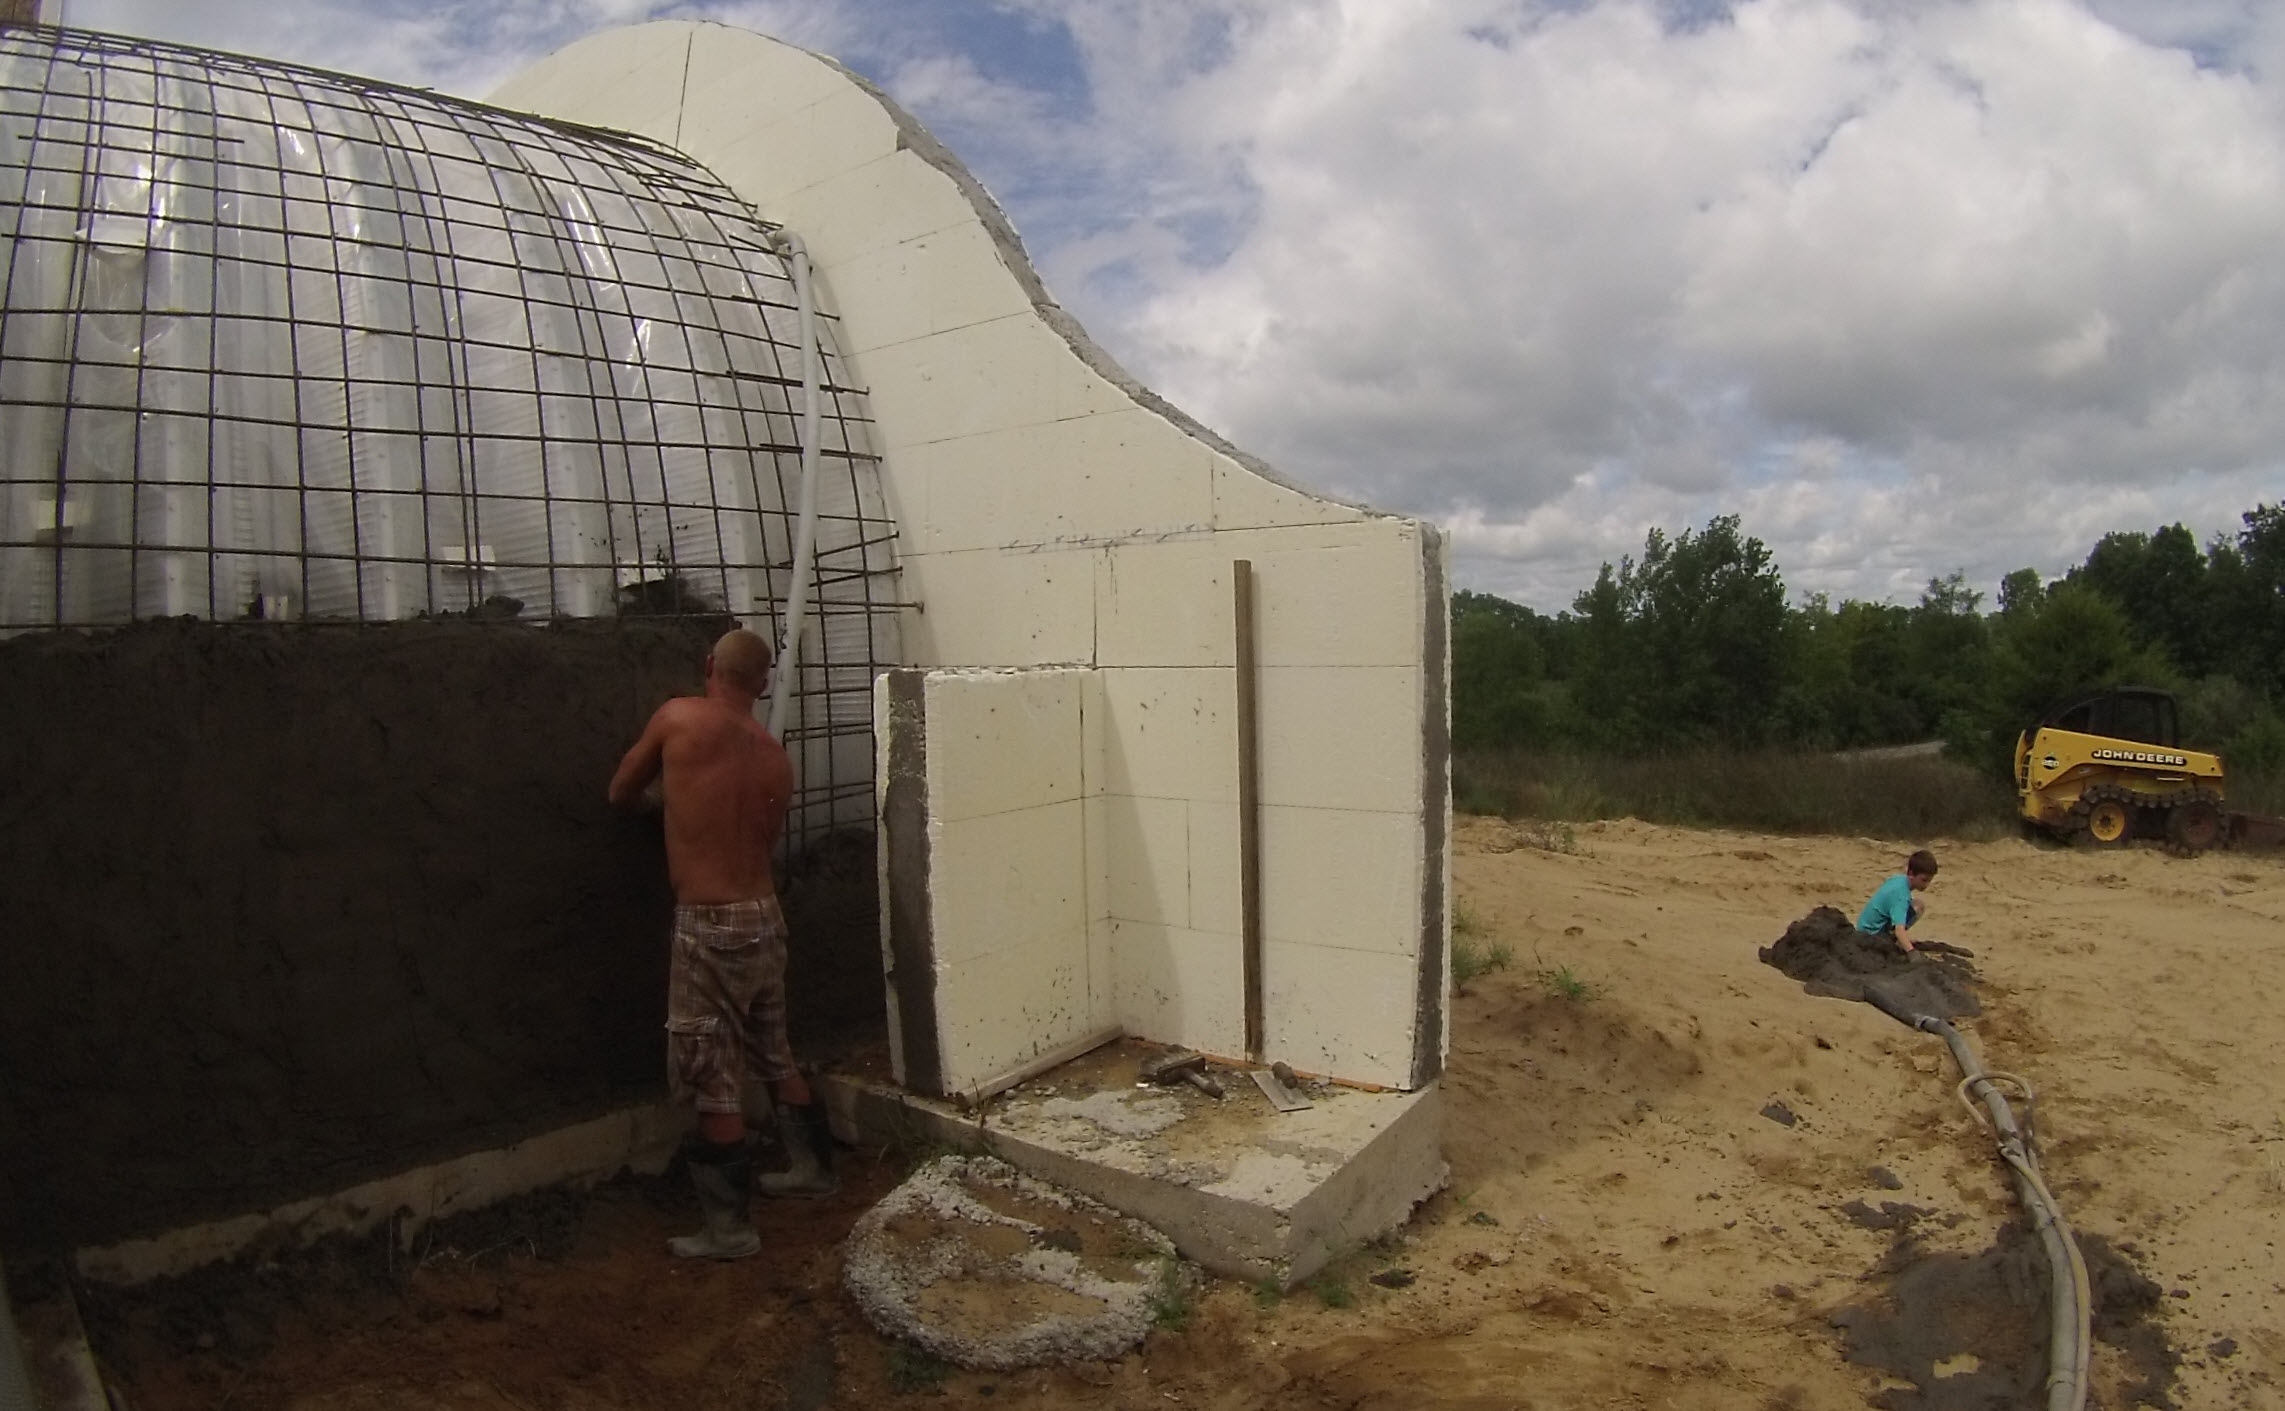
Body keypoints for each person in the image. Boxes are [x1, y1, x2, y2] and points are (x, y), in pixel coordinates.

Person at [608, 627, 836, 1261]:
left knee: (710, 1068)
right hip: (764, 916)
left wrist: (673, 803)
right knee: (772, 1048)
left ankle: (729, 1229)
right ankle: (812, 1169)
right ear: (763, 685)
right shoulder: (773, 756)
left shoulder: (679, 719)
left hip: (710, 922)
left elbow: (622, 792)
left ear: (710, 665)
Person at [1856, 849, 1937, 955]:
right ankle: (1893, 940)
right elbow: (1899, 930)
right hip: (1871, 936)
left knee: (1917, 904)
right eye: (1924, 880)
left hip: (1863, 927)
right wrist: (1912, 953)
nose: (1926, 885)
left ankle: (1895, 938)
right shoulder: (1901, 896)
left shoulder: (1898, 880)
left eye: (1929, 881)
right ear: (1912, 874)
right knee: (1917, 908)